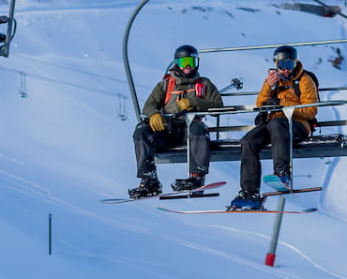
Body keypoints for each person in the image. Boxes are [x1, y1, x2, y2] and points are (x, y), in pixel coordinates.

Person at [228, 45, 318, 211]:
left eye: (289, 65)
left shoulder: (305, 81)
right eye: (281, 65)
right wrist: (269, 87)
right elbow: (260, 104)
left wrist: (282, 105)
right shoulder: (272, 80)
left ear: (295, 63)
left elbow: (311, 110)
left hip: (297, 125)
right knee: (248, 141)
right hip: (273, 124)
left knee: (277, 124)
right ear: (276, 64)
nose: (285, 70)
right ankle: (250, 193)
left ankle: (282, 174)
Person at [129, 45, 223, 198]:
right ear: (176, 63)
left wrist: (195, 104)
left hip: (189, 130)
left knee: (198, 128)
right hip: (168, 130)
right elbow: (149, 105)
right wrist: (153, 114)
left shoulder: (204, 84)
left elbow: (217, 104)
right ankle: (149, 179)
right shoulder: (166, 85)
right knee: (142, 132)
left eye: (191, 62)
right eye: (184, 62)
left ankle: (196, 177)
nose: (187, 67)